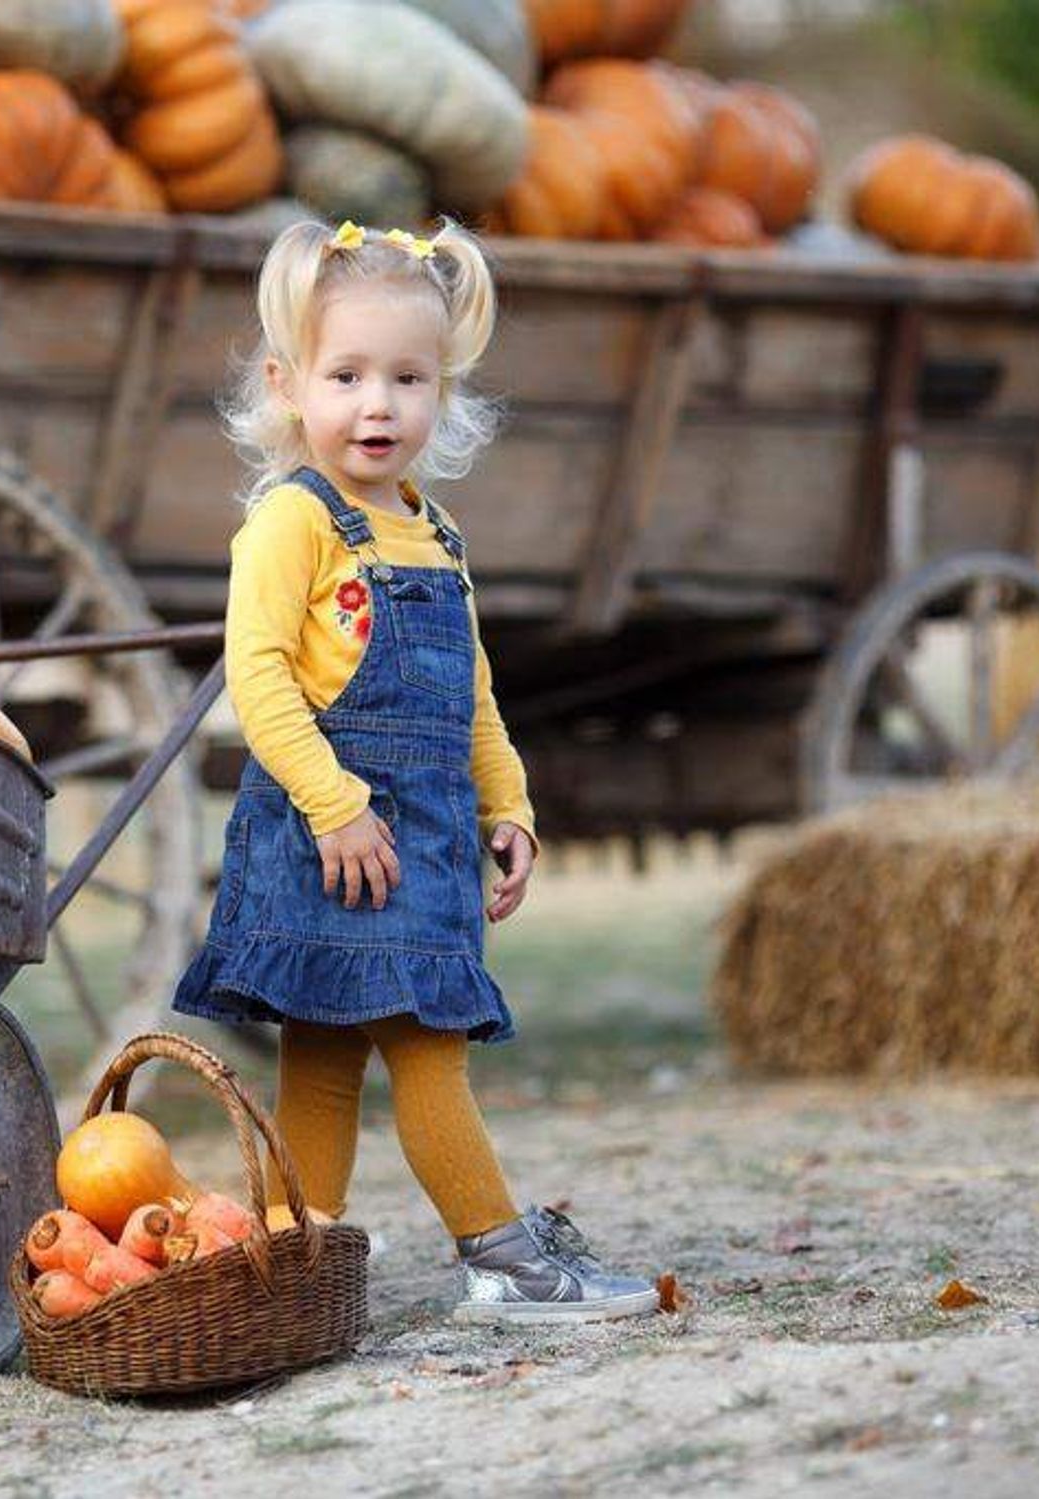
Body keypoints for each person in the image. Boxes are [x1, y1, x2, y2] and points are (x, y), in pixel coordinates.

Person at [172, 218, 656, 1321]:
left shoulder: (434, 534)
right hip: (328, 837)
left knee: (349, 1049)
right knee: (379, 1052)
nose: (377, 403)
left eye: (406, 377)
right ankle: (496, 1255)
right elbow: (256, 677)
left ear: (443, 390)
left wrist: (509, 803)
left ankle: (291, 1259)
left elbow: (471, 694)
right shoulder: (292, 522)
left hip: (423, 837)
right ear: (288, 385)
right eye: (346, 375)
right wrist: (335, 806)